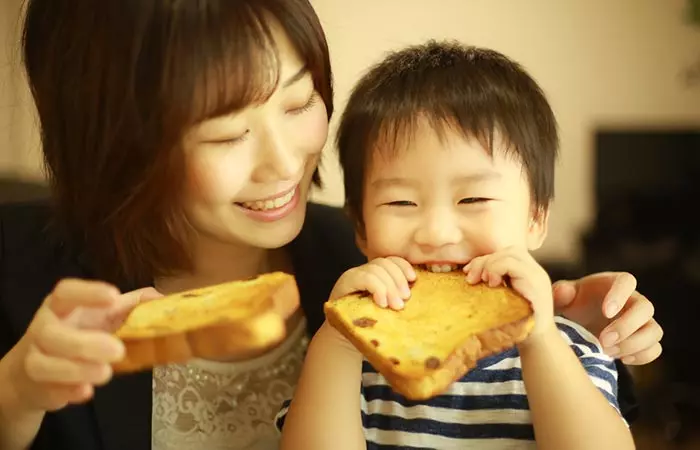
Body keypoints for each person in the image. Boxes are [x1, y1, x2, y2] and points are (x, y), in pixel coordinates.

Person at [0, 1, 661, 450]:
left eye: (298, 101)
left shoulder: (386, 273)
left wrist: (575, 324)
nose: (287, 162)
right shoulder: (20, 271)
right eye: (228, 135)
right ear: (117, 143)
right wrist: (19, 390)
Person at [277, 41, 636, 449]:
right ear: (360, 227)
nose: (437, 232)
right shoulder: (351, 358)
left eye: (473, 199)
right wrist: (338, 339)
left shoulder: (570, 347)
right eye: (401, 202)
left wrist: (539, 339)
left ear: (536, 218)